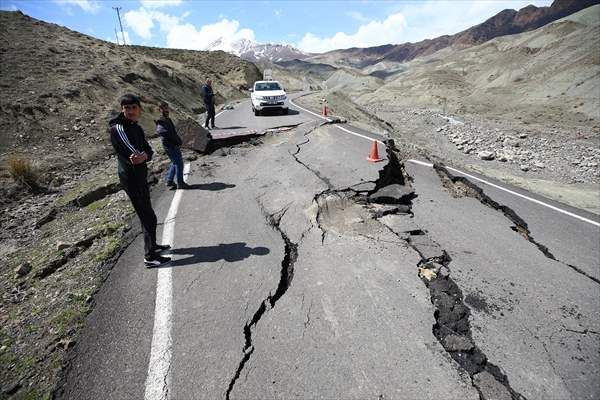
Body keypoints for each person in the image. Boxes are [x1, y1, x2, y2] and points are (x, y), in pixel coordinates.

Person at [109, 94, 171, 267]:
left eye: (133, 107)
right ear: (122, 109)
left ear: (139, 109)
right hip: (131, 178)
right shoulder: (118, 128)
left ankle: (153, 246)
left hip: (140, 175)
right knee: (148, 216)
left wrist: (145, 155)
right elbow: (134, 154)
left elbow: (147, 151)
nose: (130, 111)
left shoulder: (136, 127)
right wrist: (141, 156)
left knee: (148, 214)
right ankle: (150, 257)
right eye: (126, 108)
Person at [155, 102, 191, 190]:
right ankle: (180, 183)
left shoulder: (167, 119)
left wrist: (177, 139)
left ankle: (169, 181)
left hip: (172, 144)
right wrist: (175, 139)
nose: (166, 109)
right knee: (179, 164)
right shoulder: (161, 120)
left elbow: (171, 132)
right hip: (170, 145)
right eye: (163, 108)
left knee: (175, 163)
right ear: (160, 110)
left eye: (167, 108)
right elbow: (161, 131)